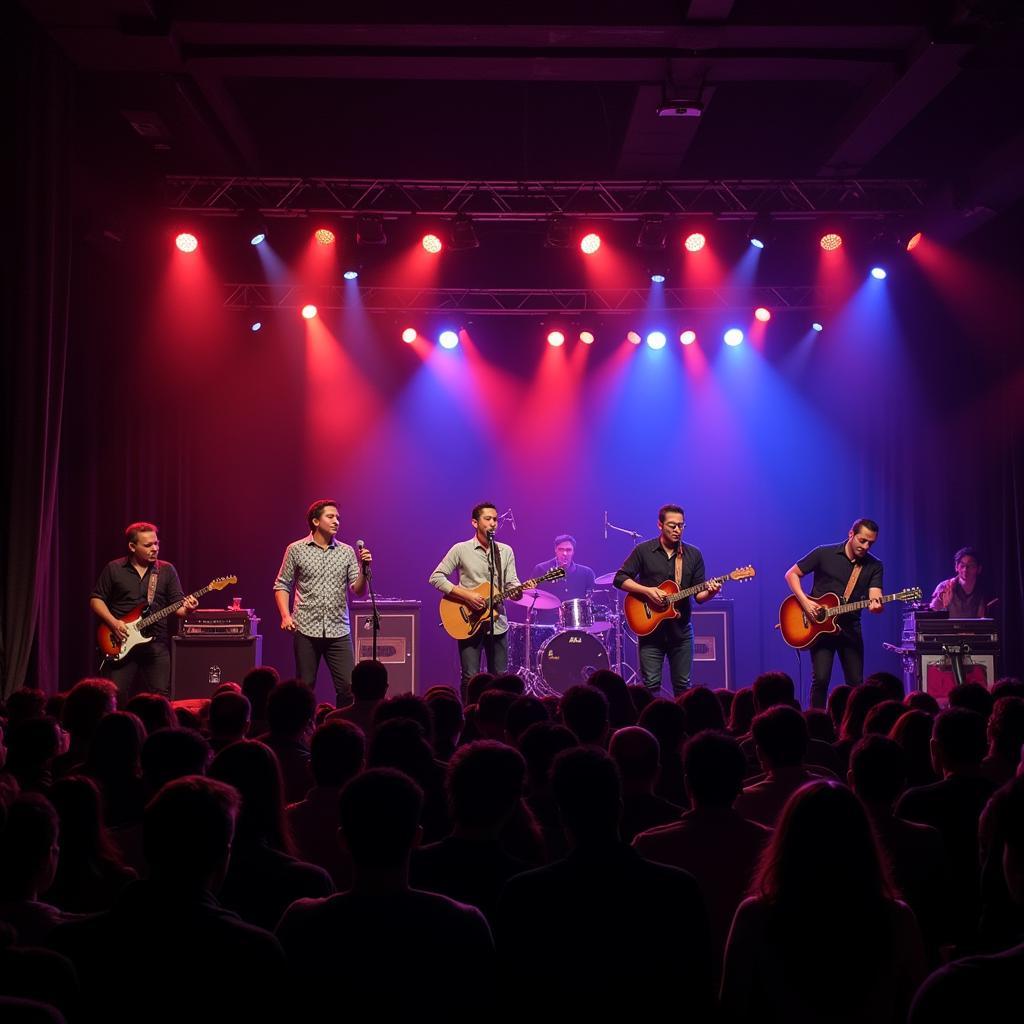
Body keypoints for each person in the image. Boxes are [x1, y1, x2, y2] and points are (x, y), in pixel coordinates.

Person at [612, 504, 721, 696]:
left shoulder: (693, 554)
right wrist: (647, 591)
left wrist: (711, 592)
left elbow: (699, 597)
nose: (678, 530)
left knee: (683, 687)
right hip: (650, 631)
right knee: (651, 686)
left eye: (681, 525)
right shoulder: (643, 551)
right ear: (659, 525)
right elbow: (619, 579)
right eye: (672, 526)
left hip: (681, 632)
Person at [273, 498, 372, 707]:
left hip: (338, 629)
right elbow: (282, 584)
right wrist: (285, 616)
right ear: (316, 521)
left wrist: (364, 569)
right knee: (305, 686)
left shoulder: (346, 552)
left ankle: (344, 728)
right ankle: (304, 731)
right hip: (306, 627)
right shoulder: (296, 549)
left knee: (348, 686)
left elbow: (358, 590)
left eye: (338, 517)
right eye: (330, 516)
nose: (336, 521)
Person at [90, 522, 198, 700]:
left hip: (155, 644)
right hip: (120, 640)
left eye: (156, 543)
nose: (155, 548)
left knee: (161, 698)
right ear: (132, 547)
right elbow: (96, 600)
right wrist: (113, 622)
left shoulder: (166, 570)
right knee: (116, 697)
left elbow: (178, 607)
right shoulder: (114, 568)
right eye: (148, 545)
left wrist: (188, 609)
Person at [785, 517, 884, 709]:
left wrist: (877, 606)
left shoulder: (874, 566)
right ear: (851, 534)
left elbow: (875, 595)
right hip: (820, 627)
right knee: (821, 679)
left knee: (856, 684)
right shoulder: (824, 553)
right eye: (862, 540)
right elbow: (791, 574)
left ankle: (852, 728)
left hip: (850, 629)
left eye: (870, 543)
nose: (865, 547)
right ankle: (816, 725)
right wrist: (805, 602)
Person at [429, 502, 522, 697]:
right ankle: (469, 717)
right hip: (469, 622)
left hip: (498, 622)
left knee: (500, 677)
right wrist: (467, 595)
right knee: (470, 677)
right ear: (474, 522)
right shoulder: (461, 549)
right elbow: (436, 577)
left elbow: (512, 583)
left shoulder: (505, 551)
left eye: (495, 519)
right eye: (488, 519)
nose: (493, 523)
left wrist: (517, 591)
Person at [530, 534, 597, 625]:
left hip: (576, 623)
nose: (564, 553)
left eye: (568, 550)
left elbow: (591, 601)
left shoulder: (587, 573)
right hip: (548, 623)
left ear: (573, 551)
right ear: (555, 550)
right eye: (561, 549)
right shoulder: (541, 569)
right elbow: (530, 596)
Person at [930, 547, 989, 618]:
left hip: (973, 628)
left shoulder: (983, 588)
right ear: (956, 567)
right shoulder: (945, 585)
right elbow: (933, 609)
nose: (965, 570)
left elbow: (983, 618)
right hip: (949, 628)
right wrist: (941, 599)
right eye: (962, 565)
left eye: (970, 566)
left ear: (979, 569)